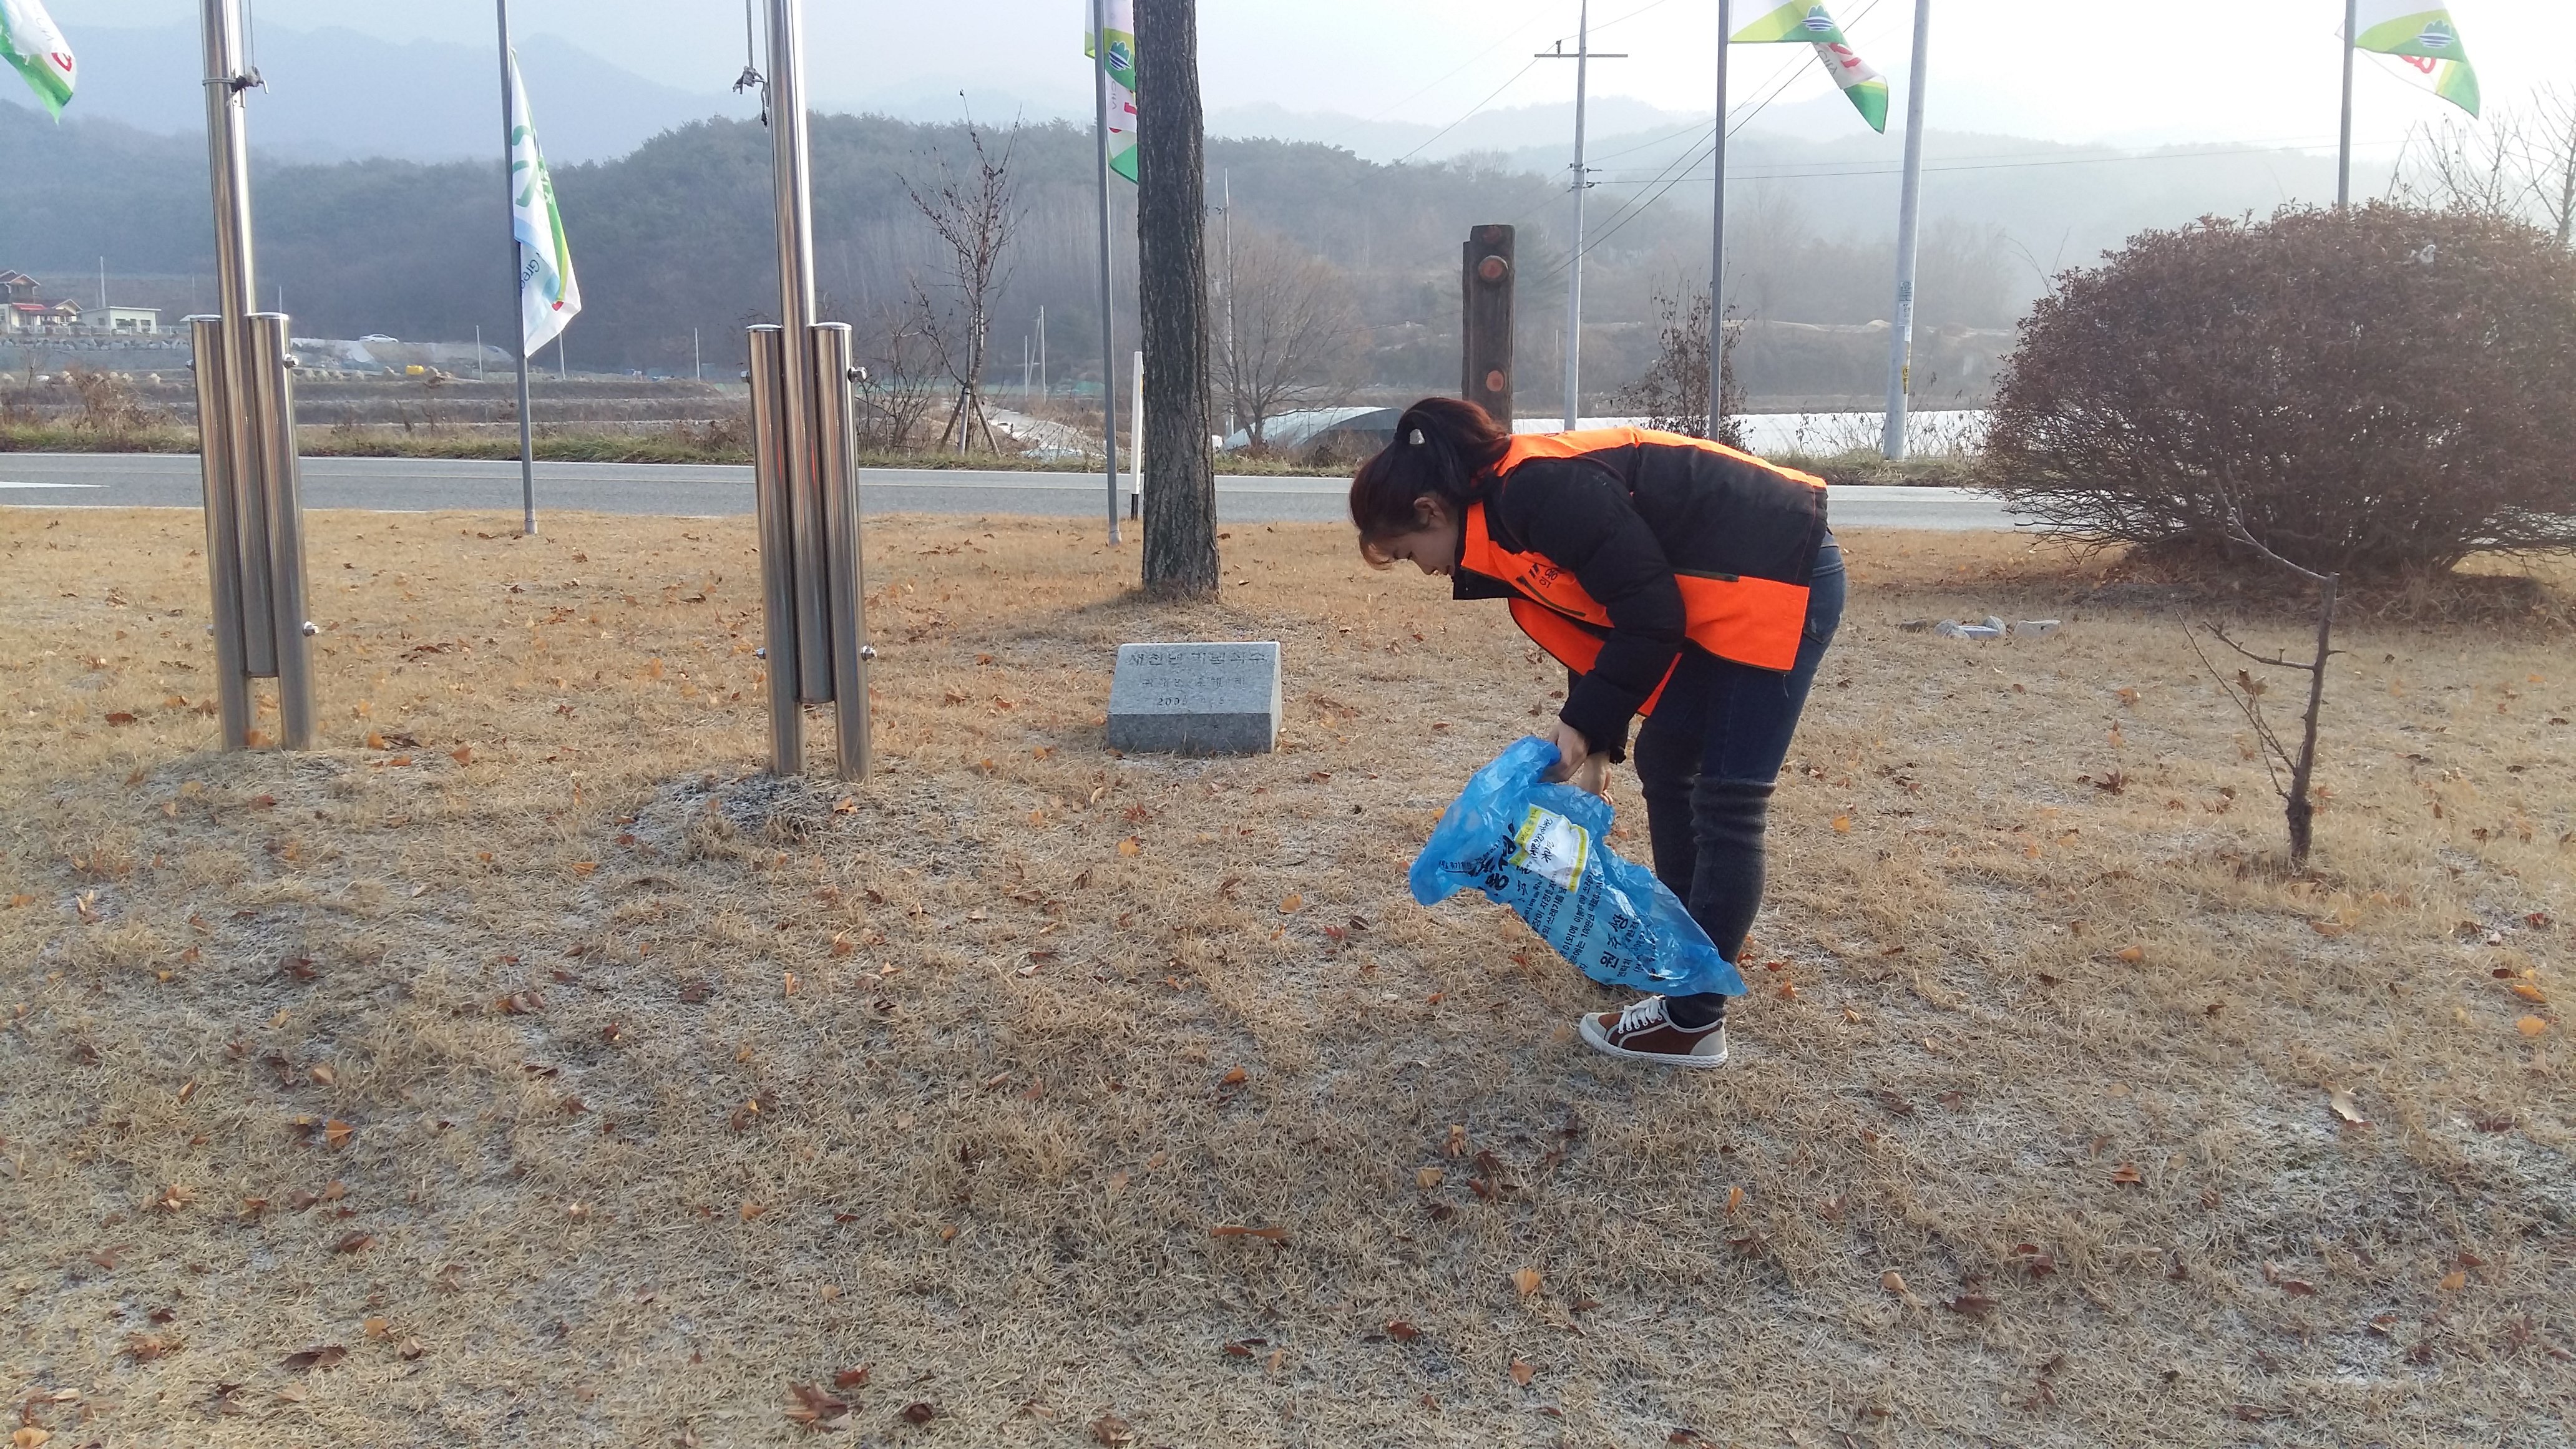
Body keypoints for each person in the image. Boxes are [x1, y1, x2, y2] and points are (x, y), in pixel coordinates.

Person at [1350, 397, 1845, 1068]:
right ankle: (1676, 961)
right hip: (1730, 583)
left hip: (1779, 573)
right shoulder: (1507, 512)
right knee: (1667, 759)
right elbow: (1598, 613)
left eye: (1410, 553)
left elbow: (1650, 614)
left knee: (1729, 799)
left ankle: (1693, 1021)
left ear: (1431, 511)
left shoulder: (1535, 493)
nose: (1427, 570)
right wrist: (1598, 751)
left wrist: (1583, 724)